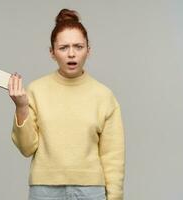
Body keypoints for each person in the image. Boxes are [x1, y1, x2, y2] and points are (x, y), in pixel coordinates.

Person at [8, 8, 125, 200]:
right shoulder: (36, 90)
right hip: (44, 190)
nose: (71, 54)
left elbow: (113, 157)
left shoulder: (104, 96)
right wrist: (21, 107)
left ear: (89, 50)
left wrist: (115, 197)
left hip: (91, 191)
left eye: (78, 46)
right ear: (52, 52)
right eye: (63, 48)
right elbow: (26, 148)